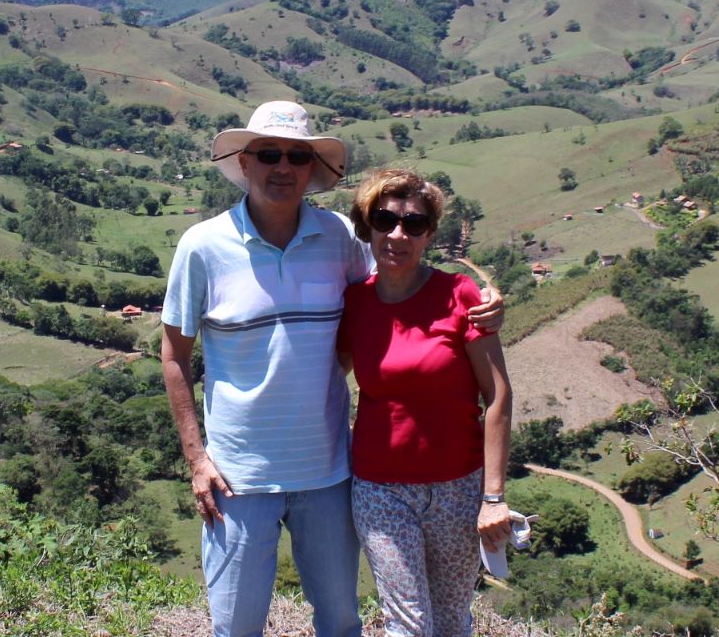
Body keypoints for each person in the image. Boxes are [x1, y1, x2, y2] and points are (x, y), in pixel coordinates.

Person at [160, 102, 501, 637]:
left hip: (329, 472)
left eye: (296, 156)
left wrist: (479, 301)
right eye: (268, 153)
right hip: (238, 477)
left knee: (341, 621)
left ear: (311, 169)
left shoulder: (339, 236)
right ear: (245, 163)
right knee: (237, 625)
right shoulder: (202, 247)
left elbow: (395, 289)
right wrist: (196, 458)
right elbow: (174, 354)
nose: (282, 166)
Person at [338, 169, 513, 637]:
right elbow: (324, 370)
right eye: (385, 220)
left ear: (429, 234)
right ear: (367, 226)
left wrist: (493, 498)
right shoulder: (354, 302)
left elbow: (498, 396)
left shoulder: (460, 297)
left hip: (458, 487)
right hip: (380, 489)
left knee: (453, 619)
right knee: (409, 623)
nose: (398, 234)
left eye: (413, 224)